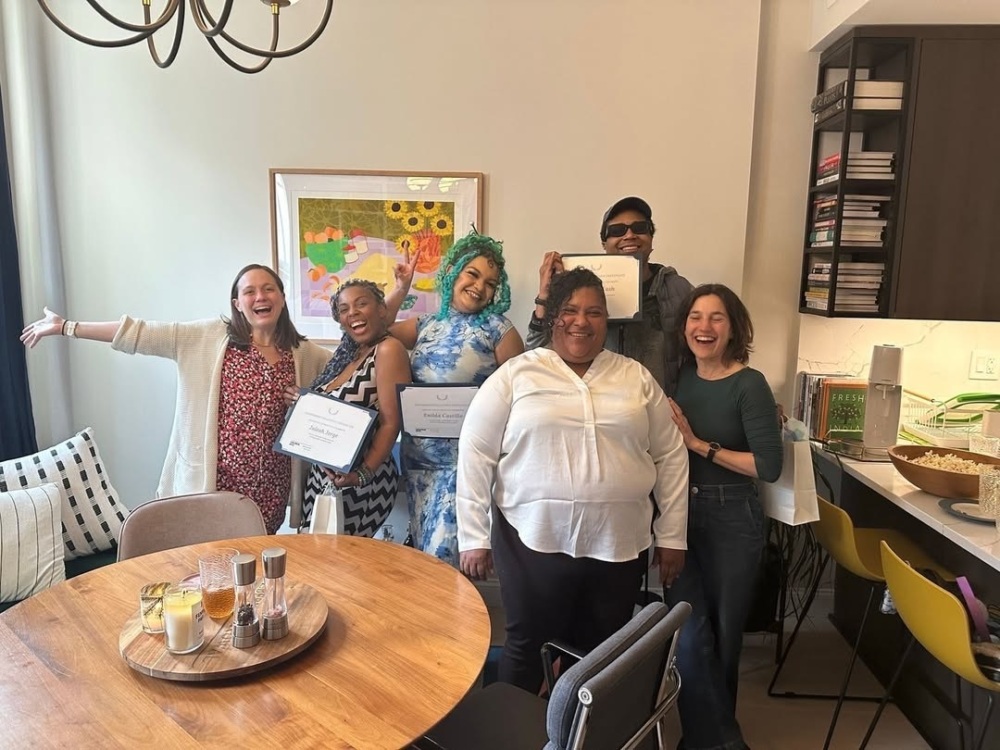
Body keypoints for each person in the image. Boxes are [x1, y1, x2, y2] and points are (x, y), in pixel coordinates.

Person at [456, 267, 689, 693]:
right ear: (551, 317)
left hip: (618, 543)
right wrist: (474, 536)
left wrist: (672, 534)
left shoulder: (634, 377)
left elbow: (671, 455)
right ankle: (517, 737)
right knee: (528, 646)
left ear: (606, 319)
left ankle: (580, 735)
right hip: (531, 541)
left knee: (600, 651)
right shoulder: (517, 375)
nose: (581, 321)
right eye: (570, 310)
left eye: (594, 312)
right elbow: (475, 453)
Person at [19, 264, 333, 534]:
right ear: (238, 303)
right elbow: (138, 333)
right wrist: (66, 327)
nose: (260, 296)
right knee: (211, 568)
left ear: (281, 298)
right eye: (250, 291)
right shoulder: (207, 337)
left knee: (255, 571)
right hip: (212, 482)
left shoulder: (306, 355)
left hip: (272, 486)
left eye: (268, 289)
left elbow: (341, 393)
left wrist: (305, 402)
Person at [664, 283, 783, 750]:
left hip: (733, 515)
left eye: (716, 318)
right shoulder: (680, 376)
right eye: (696, 317)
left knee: (724, 637)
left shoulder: (748, 384)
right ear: (684, 326)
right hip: (679, 514)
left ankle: (702, 740)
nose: (704, 327)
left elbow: (767, 466)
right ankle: (720, 742)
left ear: (734, 328)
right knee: (690, 632)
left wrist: (699, 446)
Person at [386, 231, 524, 564]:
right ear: (453, 273)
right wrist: (401, 289)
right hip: (419, 460)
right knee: (424, 554)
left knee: (442, 556)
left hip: (464, 461)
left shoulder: (498, 328)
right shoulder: (426, 324)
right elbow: (374, 331)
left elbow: (524, 395)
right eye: (472, 274)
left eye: (490, 283)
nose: (480, 287)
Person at [526, 196, 694, 396]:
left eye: (640, 227)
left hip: (658, 408)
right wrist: (545, 293)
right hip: (597, 409)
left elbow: (699, 355)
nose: (630, 235)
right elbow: (536, 353)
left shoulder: (677, 289)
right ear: (604, 243)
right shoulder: (580, 292)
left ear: (651, 237)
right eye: (617, 231)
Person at [301, 279, 411, 537]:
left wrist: (362, 474)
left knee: (344, 569)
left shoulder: (388, 349)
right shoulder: (349, 354)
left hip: (360, 483)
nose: (353, 313)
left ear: (382, 310)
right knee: (317, 565)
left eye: (362, 304)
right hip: (323, 480)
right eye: (344, 309)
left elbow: (391, 423)